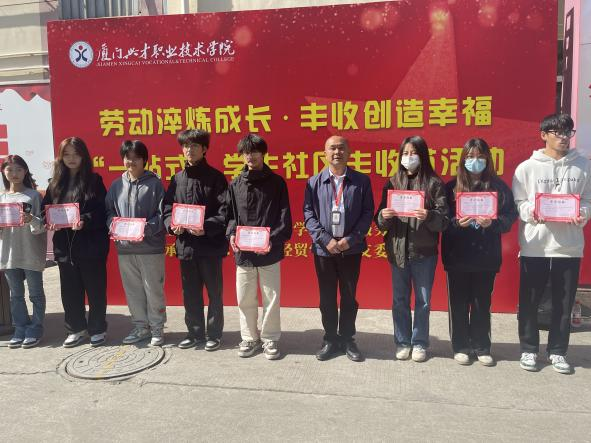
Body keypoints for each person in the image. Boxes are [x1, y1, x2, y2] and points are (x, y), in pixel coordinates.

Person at [513, 113, 591, 374]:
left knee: (563, 303)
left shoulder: (583, 166)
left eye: (568, 132)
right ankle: (528, 349)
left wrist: (583, 213)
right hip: (535, 245)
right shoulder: (527, 168)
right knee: (530, 301)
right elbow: (519, 202)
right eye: (558, 132)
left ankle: (557, 351)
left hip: (569, 247)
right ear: (543, 135)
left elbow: (588, 199)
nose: (564, 137)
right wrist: (531, 212)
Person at [442, 138, 517, 366]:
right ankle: (461, 346)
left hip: (486, 257)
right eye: (470, 157)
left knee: (482, 303)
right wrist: (456, 222)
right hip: (457, 257)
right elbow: (441, 220)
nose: (475, 161)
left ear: (488, 159)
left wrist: (493, 223)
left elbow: (510, 216)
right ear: (463, 159)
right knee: (458, 304)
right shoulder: (450, 187)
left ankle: (482, 346)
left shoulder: (498, 187)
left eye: (480, 157)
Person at [375, 135, 448, 362]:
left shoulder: (434, 183)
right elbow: (379, 220)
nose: (409, 157)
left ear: (422, 155)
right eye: (405, 153)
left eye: (414, 153)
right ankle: (402, 342)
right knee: (399, 300)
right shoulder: (392, 182)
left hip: (423, 252)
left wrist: (430, 215)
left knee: (423, 302)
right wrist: (384, 216)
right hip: (398, 251)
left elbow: (444, 220)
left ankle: (419, 343)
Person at [304, 135, 374, 362]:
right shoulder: (314, 182)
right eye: (332, 148)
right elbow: (308, 214)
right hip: (324, 250)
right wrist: (326, 240)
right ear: (325, 153)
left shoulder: (361, 181)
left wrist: (351, 239)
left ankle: (347, 339)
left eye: (341, 148)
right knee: (326, 298)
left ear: (349, 152)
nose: (337, 152)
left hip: (350, 249)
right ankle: (330, 338)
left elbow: (367, 213)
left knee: (349, 296)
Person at [226, 134, 292, 360]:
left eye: (254, 151)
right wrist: (231, 234)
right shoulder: (235, 184)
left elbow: (284, 218)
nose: (250, 156)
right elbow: (230, 216)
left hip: (269, 251)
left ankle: (270, 338)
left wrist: (271, 239)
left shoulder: (277, 183)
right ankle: (249, 338)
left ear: (263, 153)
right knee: (245, 298)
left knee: (271, 298)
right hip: (243, 254)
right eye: (246, 152)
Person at [163, 129, 228, 351]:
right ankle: (194, 333)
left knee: (214, 293)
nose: (189, 150)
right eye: (185, 146)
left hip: (210, 247)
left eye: (194, 146)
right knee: (190, 294)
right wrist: (171, 225)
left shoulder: (216, 178)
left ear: (204, 149)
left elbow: (224, 212)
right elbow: (167, 208)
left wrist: (206, 227)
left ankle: (214, 334)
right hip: (186, 247)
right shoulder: (177, 179)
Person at [42, 137, 110, 348]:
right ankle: (76, 329)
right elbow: (45, 210)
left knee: (95, 290)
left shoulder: (94, 181)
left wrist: (84, 221)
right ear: (61, 158)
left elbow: (102, 211)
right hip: (65, 247)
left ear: (84, 156)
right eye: (67, 154)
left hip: (91, 245)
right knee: (70, 291)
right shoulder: (54, 184)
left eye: (76, 154)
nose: (71, 159)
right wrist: (49, 221)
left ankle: (97, 329)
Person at [106, 140, 167, 347]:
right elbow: (109, 212)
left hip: (150, 248)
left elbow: (163, 214)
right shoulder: (116, 185)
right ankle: (141, 328)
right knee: (133, 291)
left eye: (136, 158)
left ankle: (157, 328)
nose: (131, 162)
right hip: (125, 249)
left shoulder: (155, 184)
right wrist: (113, 226)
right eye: (127, 157)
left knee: (153, 290)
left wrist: (145, 229)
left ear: (144, 160)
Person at [0, 155, 47, 349]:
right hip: (9, 252)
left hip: (30, 251)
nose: (14, 173)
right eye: (10, 169)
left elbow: (43, 225)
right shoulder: (1, 198)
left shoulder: (34, 196)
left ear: (25, 171)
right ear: (3, 172)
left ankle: (35, 328)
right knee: (16, 295)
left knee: (35, 294)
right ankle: (20, 328)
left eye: (19, 169)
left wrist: (31, 219)